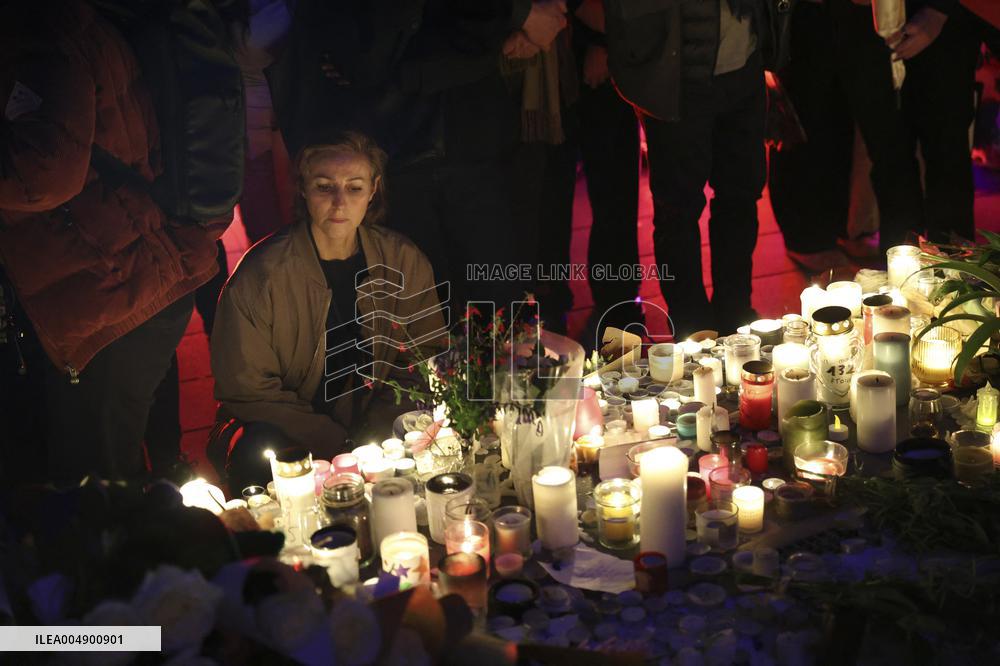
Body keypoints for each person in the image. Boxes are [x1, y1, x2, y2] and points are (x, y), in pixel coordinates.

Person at [0, 0, 230, 485]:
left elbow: (44, 173)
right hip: (123, 276)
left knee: (97, 488)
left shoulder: (39, 33)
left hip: (108, 286)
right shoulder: (63, 21)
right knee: (112, 474)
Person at [210, 132, 446, 478]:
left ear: (373, 190)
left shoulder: (402, 260)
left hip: (375, 430)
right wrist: (334, 441)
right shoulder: (261, 277)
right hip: (290, 433)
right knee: (256, 452)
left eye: (354, 188)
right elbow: (247, 389)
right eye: (324, 187)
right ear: (303, 188)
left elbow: (422, 355)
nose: (339, 203)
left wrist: (378, 429)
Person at [605, 0, 772, 337]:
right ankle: (692, 327)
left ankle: (735, 314)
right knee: (677, 210)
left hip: (744, 61)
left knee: (740, 197)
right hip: (677, 71)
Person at [768, 0, 927, 274]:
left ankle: (879, 242)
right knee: (811, 119)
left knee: (883, 132)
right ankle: (809, 239)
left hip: (870, 15)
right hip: (810, 12)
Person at [891, 0, 983, 244]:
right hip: (870, 25)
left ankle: (952, 256)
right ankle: (901, 256)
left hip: (949, 29)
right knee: (891, 154)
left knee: (947, 148)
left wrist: (940, 9)